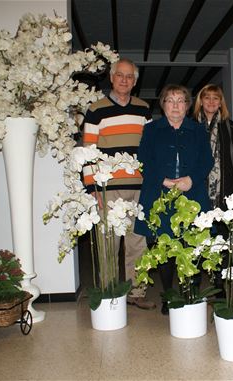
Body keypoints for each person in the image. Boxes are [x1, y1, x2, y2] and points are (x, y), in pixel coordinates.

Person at [82, 58, 156, 310]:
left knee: (137, 242)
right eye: (120, 75)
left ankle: (137, 292)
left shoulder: (144, 109)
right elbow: (88, 150)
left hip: (139, 187)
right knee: (108, 243)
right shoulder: (96, 109)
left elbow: (149, 149)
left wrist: (152, 182)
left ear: (134, 82)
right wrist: (92, 188)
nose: (124, 80)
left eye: (129, 77)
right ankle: (110, 292)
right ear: (112, 77)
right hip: (107, 188)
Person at [134, 84, 213, 315]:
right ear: (163, 105)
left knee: (192, 246)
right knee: (164, 246)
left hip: (192, 194)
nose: (176, 105)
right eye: (170, 100)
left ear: (188, 106)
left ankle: (191, 294)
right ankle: (168, 295)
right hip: (160, 195)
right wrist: (164, 180)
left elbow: (206, 161)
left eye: (181, 101)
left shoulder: (198, 130)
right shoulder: (151, 130)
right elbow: (143, 160)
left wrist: (192, 179)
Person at [192, 84, 233, 296]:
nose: (212, 102)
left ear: (221, 102)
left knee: (220, 240)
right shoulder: (190, 125)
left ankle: (219, 285)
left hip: (224, 192)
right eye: (207, 98)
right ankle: (192, 282)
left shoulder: (231, 128)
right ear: (200, 101)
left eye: (216, 98)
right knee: (196, 238)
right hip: (196, 191)